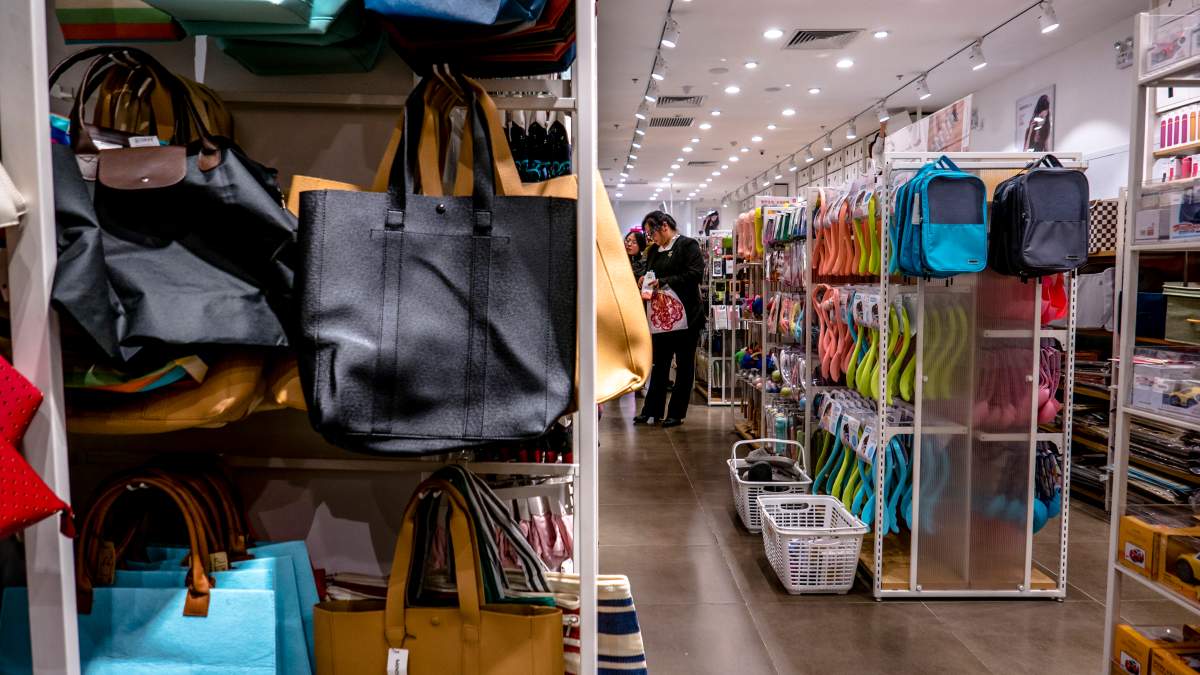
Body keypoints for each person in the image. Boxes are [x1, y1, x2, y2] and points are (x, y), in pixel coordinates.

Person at [634, 211, 705, 428]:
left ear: (664, 226)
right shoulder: (654, 251)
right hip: (661, 318)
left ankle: (676, 413)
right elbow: (651, 274)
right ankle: (651, 410)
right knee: (660, 364)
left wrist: (665, 281)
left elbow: (695, 274)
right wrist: (645, 281)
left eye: (651, 232)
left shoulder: (688, 245)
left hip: (687, 318)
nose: (650, 237)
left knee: (684, 367)